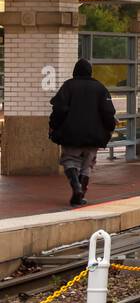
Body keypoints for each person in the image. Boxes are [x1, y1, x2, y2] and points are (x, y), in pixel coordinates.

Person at [48, 59, 117, 207]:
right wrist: (109, 128)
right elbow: (108, 112)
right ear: (90, 72)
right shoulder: (100, 88)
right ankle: (80, 193)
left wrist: (53, 126)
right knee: (87, 164)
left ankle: (76, 187)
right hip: (94, 134)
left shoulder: (68, 86)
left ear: (75, 72)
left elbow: (59, 109)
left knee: (70, 160)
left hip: (71, 133)